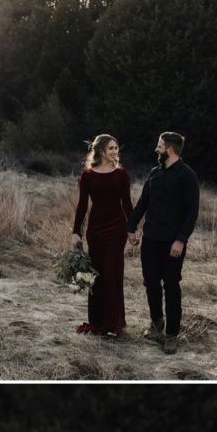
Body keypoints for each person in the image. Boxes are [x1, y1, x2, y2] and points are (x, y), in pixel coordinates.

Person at [127, 132, 200, 354]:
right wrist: (131, 227)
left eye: (159, 146)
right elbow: (142, 203)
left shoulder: (187, 176)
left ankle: (171, 335)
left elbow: (191, 213)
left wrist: (180, 240)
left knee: (171, 286)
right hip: (150, 239)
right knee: (150, 283)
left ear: (170, 149)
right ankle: (156, 322)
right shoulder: (154, 173)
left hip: (172, 243)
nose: (156, 149)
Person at [71, 133, 133, 336]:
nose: (115, 152)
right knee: (96, 275)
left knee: (112, 272)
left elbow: (127, 203)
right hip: (95, 230)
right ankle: (97, 322)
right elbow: (82, 205)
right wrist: (75, 232)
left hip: (117, 229)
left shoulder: (121, 174)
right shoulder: (88, 175)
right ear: (100, 151)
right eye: (111, 148)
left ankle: (113, 324)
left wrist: (132, 230)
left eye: (116, 148)